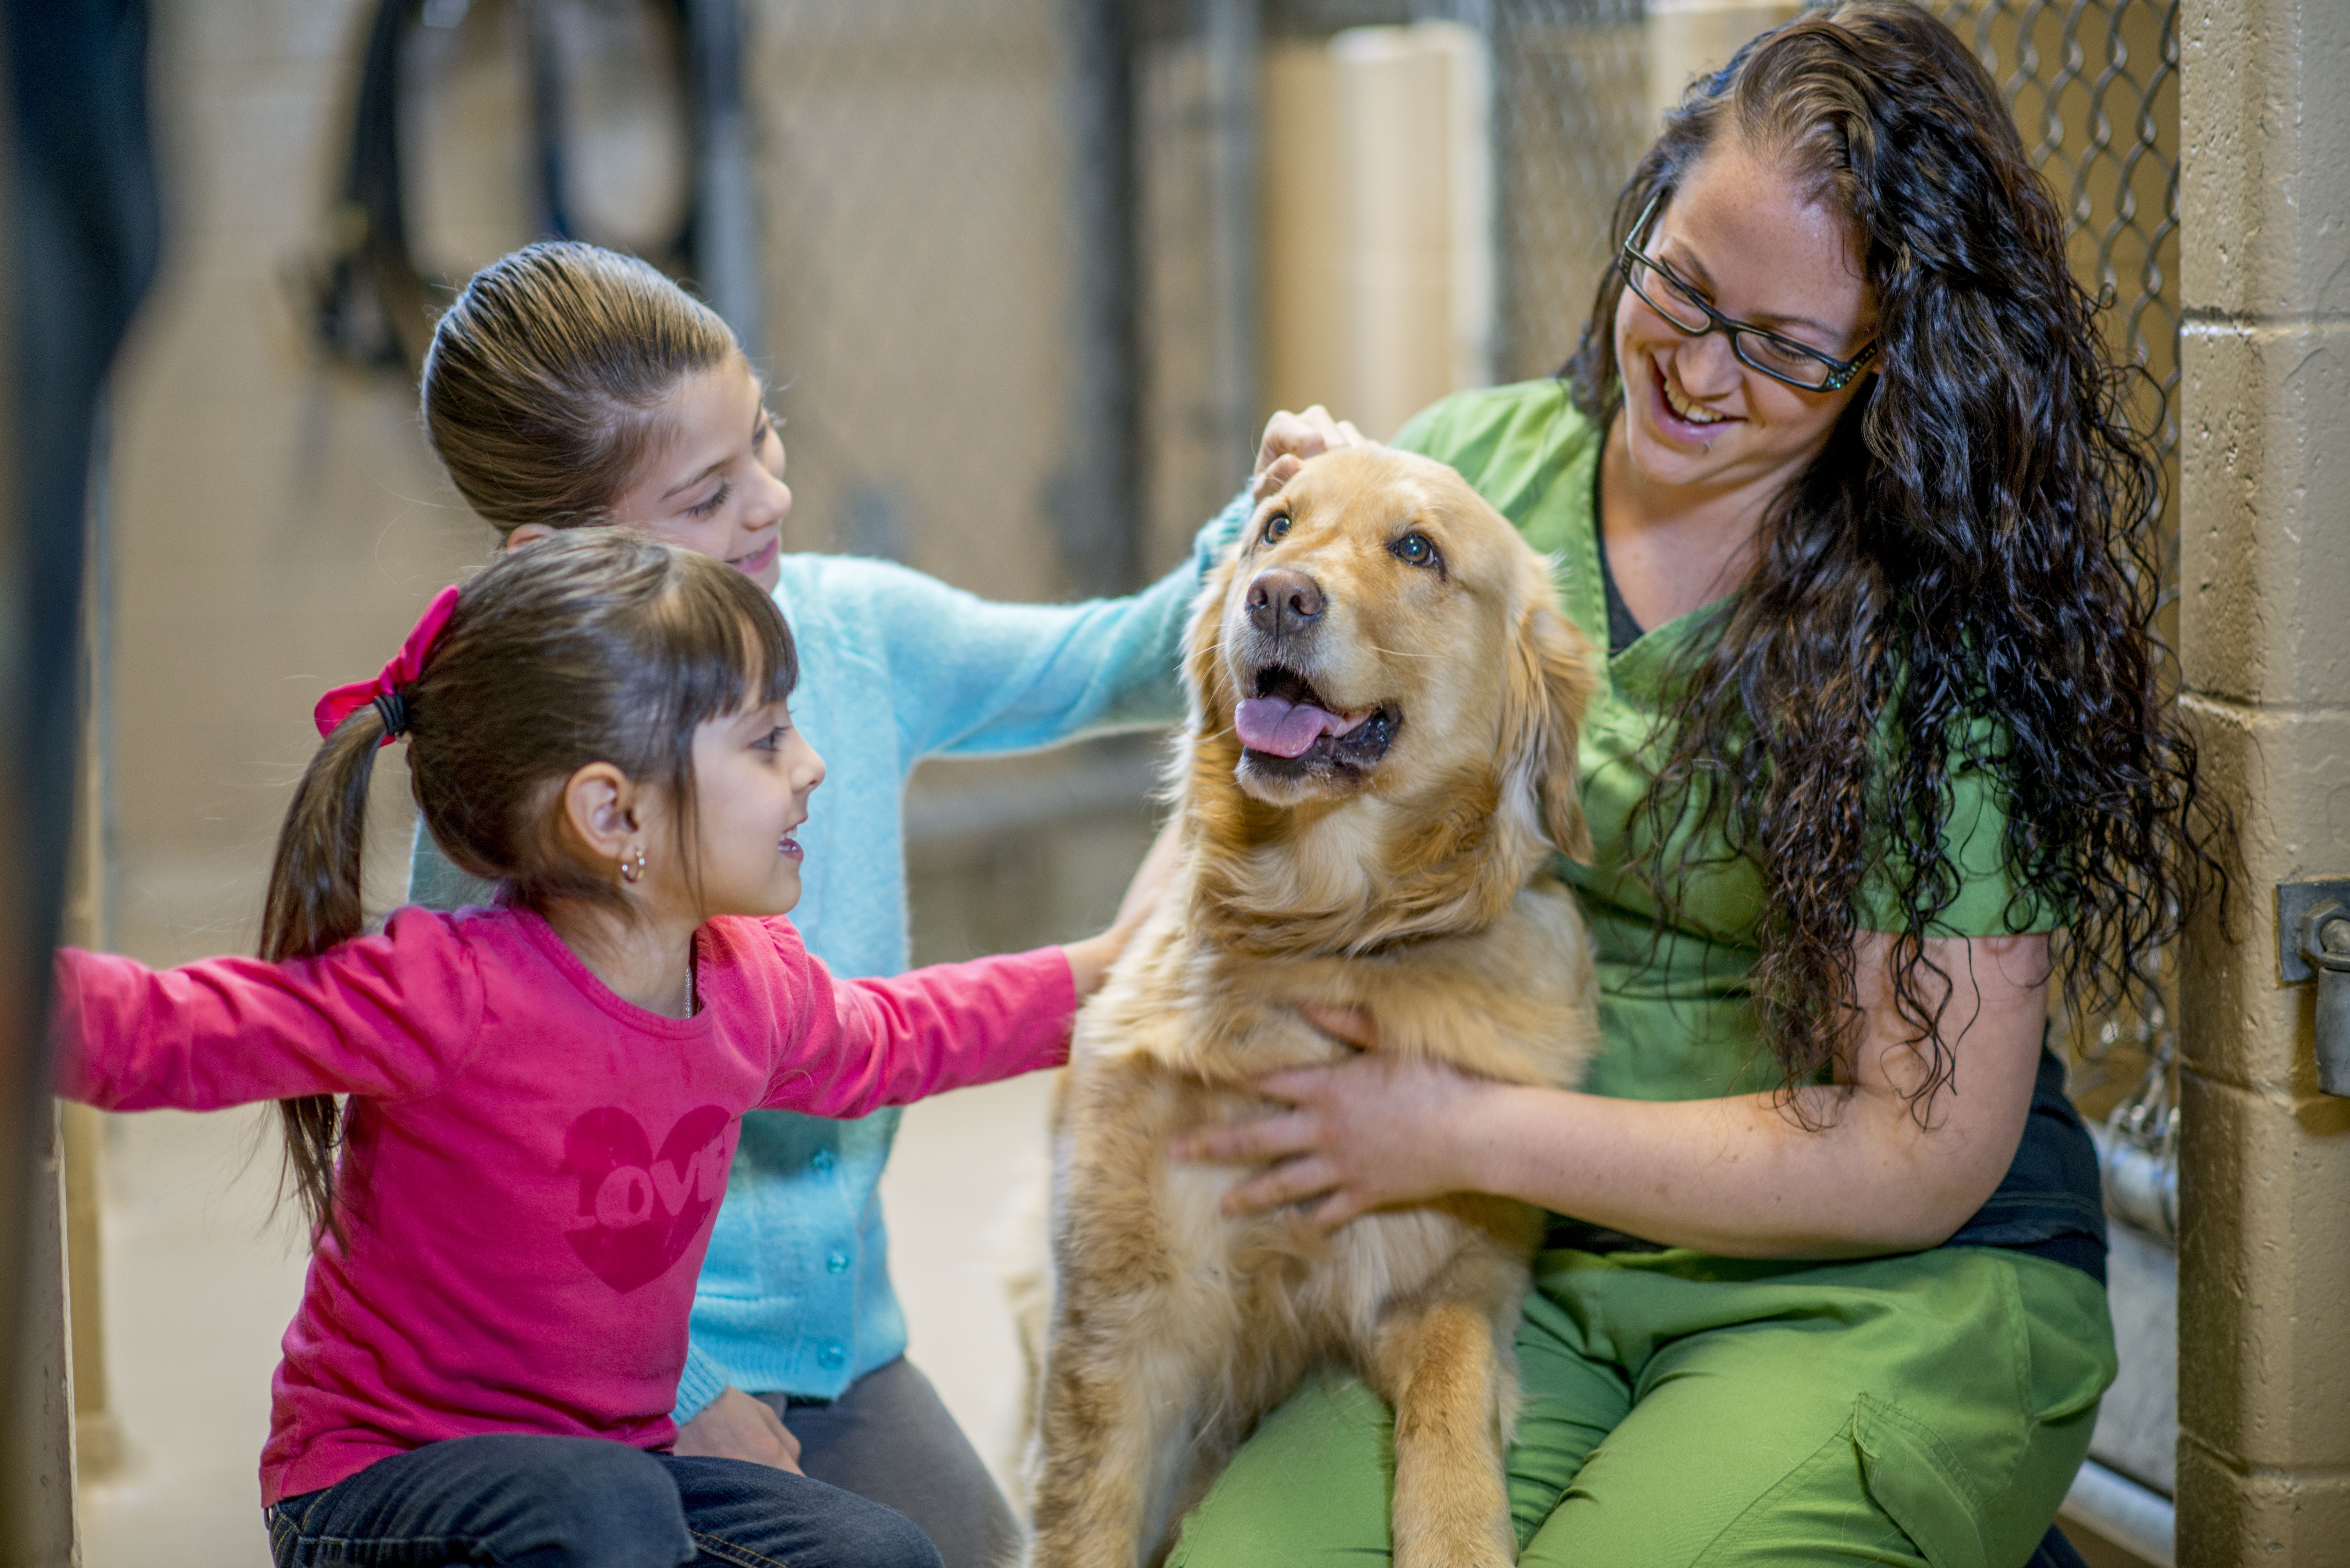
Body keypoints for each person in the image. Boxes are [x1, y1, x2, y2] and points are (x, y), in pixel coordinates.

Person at [1167, 6, 2223, 1565]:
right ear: (1645, 216)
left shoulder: (1934, 627)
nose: (1699, 370)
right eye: (1680, 285)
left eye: (1787, 350)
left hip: (1876, 1280)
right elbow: (1243, 803)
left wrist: (1451, 1130)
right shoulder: (1470, 485)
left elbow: (1914, 1155)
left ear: (1888, 367)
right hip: (1528, 1262)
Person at [408, 240, 1323, 1564]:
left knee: (960, 1548)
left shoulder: (850, 628)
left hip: (837, 1356)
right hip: (575, 1367)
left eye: (766, 438)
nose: (773, 498)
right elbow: (468, 1184)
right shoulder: (509, 791)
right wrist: (685, 1398)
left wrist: (1269, 529)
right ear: (559, 558)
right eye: (711, 492)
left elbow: (1111, 662)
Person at [50, 531, 1144, 1568]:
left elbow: (898, 1038)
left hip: (616, 1476)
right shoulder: (450, 992)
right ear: (612, 817)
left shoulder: (750, 979)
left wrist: (1111, 973)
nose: (811, 766)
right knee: (600, 1513)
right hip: (381, 1486)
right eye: (767, 741)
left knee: (885, 1549)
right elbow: (170, 1031)